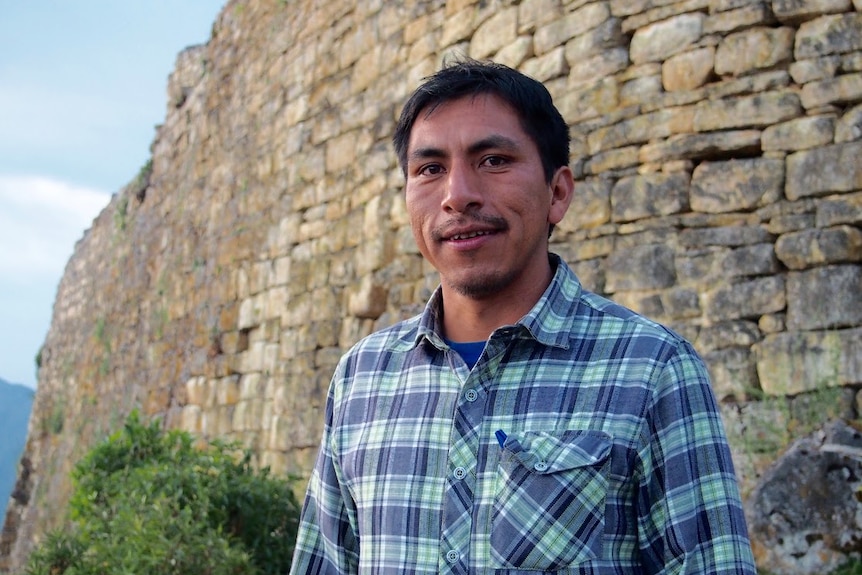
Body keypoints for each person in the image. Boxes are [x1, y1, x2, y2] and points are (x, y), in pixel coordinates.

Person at [289, 59, 757, 574]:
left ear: (558, 192)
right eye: (430, 169)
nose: (456, 195)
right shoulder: (363, 377)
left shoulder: (652, 370)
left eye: (492, 160)